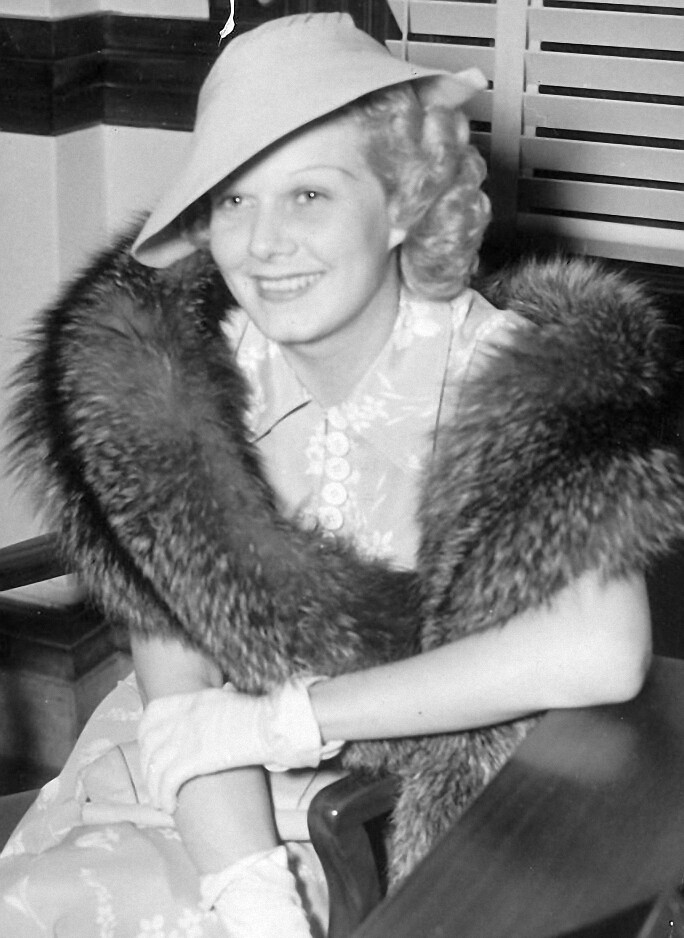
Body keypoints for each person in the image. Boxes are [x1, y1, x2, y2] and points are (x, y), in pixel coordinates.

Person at [0, 12, 655, 938]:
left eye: (308, 194)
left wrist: (289, 719)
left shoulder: (513, 377)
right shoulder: (172, 388)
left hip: (431, 800)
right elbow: (180, 692)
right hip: (196, 785)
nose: (263, 243)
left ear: (403, 205)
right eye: (234, 199)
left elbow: (602, 649)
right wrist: (251, 892)